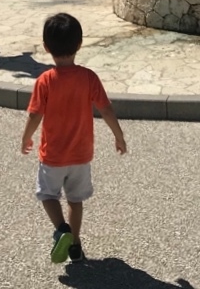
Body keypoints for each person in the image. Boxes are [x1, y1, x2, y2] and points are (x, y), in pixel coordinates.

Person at [21, 13, 126, 264]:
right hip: (81, 154)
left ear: (46, 48)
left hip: (53, 155)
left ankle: (61, 230)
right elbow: (106, 109)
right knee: (75, 200)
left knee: (47, 195)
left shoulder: (45, 81)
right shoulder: (89, 77)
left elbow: (35, 115)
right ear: (79, 44)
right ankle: (75, 245)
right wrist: (118, 136)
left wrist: (26, 137)